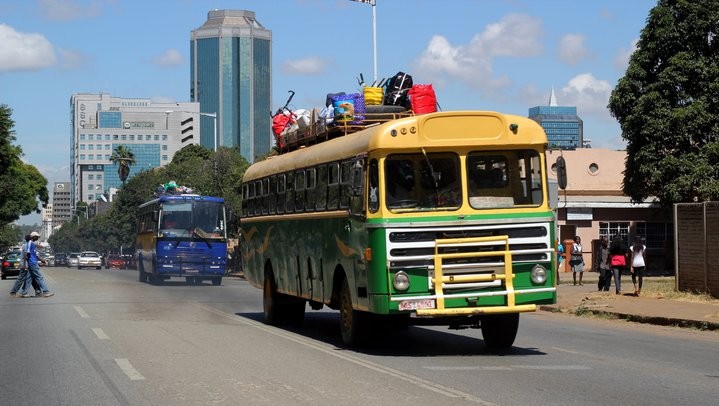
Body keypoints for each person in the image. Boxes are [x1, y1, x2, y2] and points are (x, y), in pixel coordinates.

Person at [18, 231, 54, 298]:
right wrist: (25, 264)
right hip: (33, 263)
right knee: (39, 277)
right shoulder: (30, 243)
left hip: (32, 263)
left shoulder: (32, 244)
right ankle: (46, 291)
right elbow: (26, 254)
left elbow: (33, 255)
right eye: (37, 236)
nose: (38, 237)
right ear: (33, 237)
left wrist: (41, 260)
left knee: (29, 278)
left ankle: (24, 292)